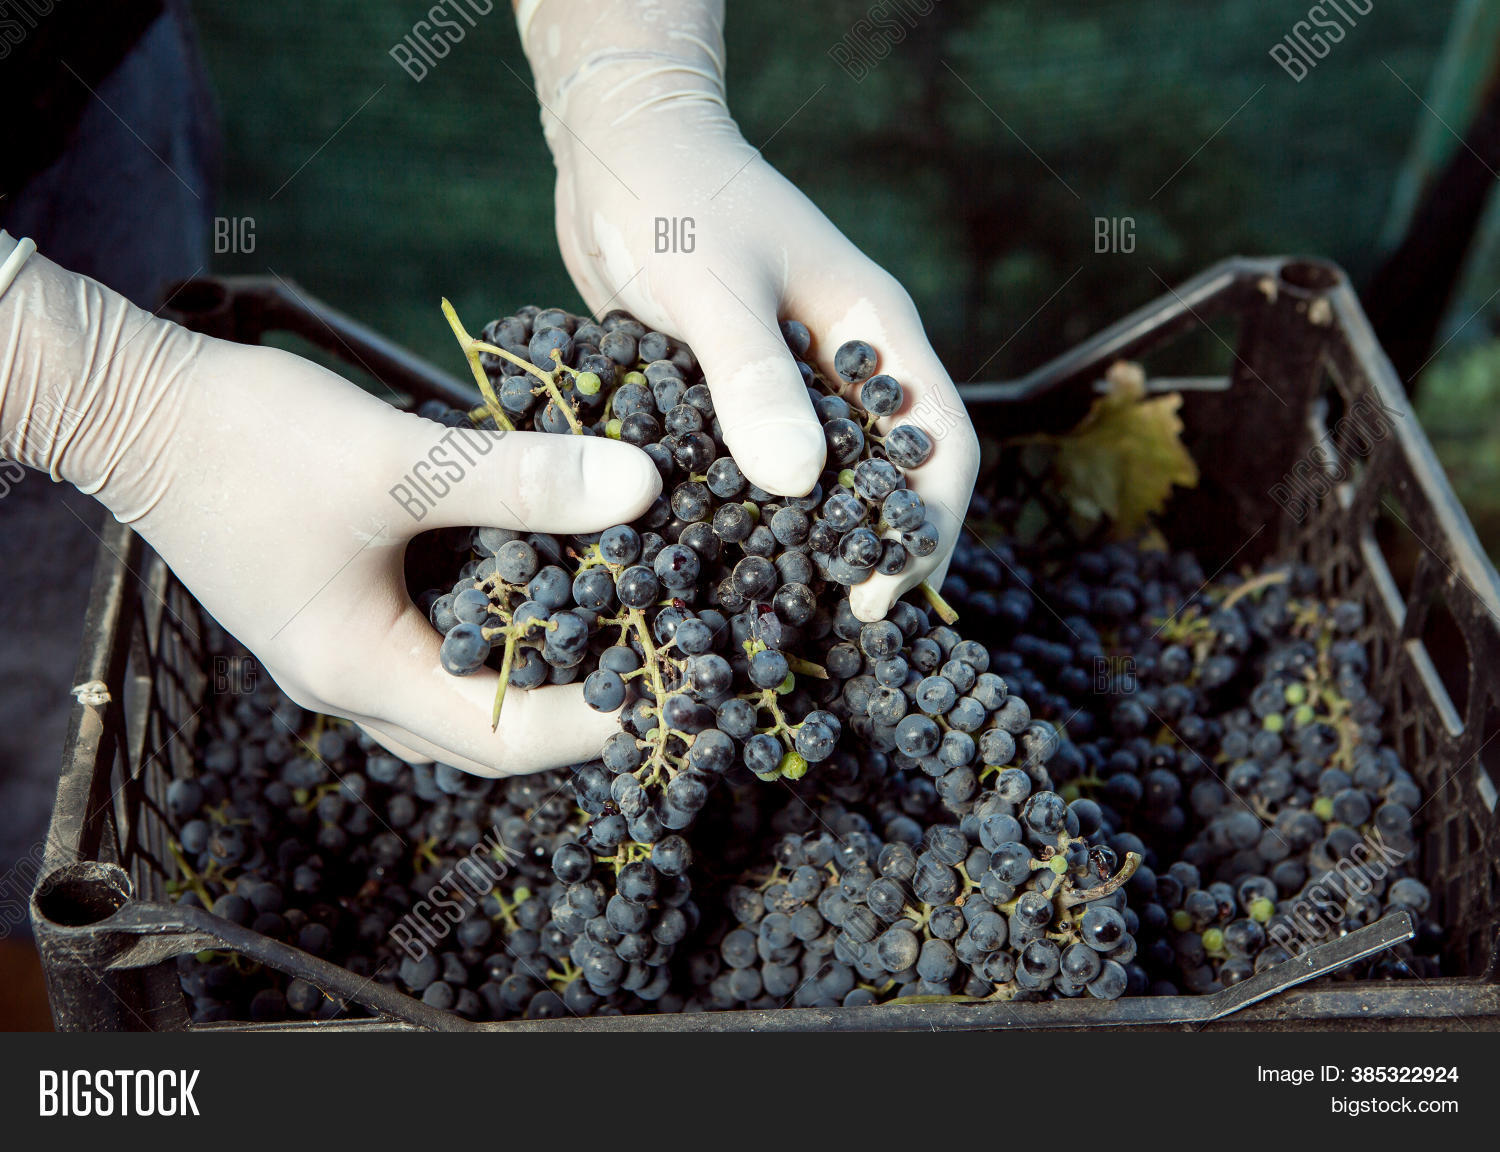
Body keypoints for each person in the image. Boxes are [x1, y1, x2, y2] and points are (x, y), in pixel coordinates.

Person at [0, 0, 979, 779]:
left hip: (67, 81)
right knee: (42, 687)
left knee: (77, 689)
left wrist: (631, 73)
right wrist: (102, 401)